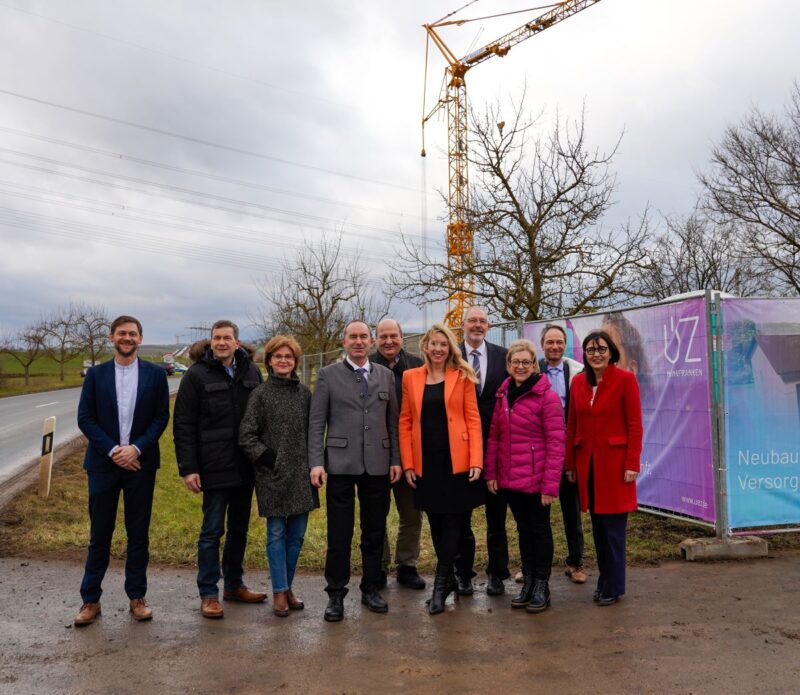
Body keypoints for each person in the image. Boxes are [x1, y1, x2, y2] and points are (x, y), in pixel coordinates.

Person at [74, 315, 170, 626]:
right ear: (112, 338)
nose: (127, 338)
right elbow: (85, 418)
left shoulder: (156, 375)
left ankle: (137, 597)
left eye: (132, 334)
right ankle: (90, 600)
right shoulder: (96, 375)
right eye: (121, 333)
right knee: (99, 534)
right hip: (103, 465)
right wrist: (115, 450)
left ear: (140, 339)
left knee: (138, 534)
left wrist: (135, 448)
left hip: (140, 465)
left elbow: (160, 418)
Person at [308, 320, 401, 622]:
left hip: (378, 464)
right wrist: (316, 462)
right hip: (340, 464)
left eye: (364, 337)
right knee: (340, 533)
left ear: (371, 342)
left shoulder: (386, 376)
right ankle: (335, 593)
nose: (359, 342)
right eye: (353, 337)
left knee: (374, 531)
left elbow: (393, 422)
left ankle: (371, 588)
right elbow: (316, 423)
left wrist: (396, 460)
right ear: (344, 342)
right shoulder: (327, 376)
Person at [173, 320, 266, 619]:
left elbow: (262, 418)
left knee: (239, 529)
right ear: (211, 341)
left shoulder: (252, 372)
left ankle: (234, 584)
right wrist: (189, 468)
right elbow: (183, 425)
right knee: (212, 531)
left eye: (227, 338)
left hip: (244, 466)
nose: (222, 342)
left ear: (237, 342)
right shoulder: (196, 376)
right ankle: (209, 593)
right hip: (213, 467)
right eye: (217, 338)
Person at [399, 324, 484, 615]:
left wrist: (476, 460)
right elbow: (405, 422)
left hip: (457, 462)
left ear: (450, 348)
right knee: (435, 522)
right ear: (425, 347)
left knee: (453, 523)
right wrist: (408, 463)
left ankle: (440, 583)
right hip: (426, 463)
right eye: (433, 343)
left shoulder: (461, 376)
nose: (438, 349)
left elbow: (473, 420)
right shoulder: (410, 377)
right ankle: (447, 579)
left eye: (443, 344)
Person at [239, 335, 319, 617]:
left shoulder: (305, 395)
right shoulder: (260, 395)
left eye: (288, 356)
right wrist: (271, 460)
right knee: (276, 535)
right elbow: (246, 436)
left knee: (296, 537)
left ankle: (287, 587)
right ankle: (279, 592)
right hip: (272, 475)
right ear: (270, 360)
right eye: (278, 356)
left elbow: (314, 432)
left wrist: (315, 465)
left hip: (302, 476)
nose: (283, 360)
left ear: (295, 361)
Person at [485, 340, 564, 614]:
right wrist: (491, 472)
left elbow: (556, 444)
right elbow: (495, 437)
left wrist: (550, 486)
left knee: (540, 530)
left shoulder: (547, 397)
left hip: (537, 480)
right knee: (523, 530)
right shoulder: (503, 394)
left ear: (534, 366)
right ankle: (528, 581)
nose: (520, 366)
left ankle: (542, 585)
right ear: (508, 366)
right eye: (515, 362)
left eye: (525, 362)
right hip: (510, 479)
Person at [565, 330, 643, 606]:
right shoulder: (577, 383)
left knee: (613, 531)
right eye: (590, 350)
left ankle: (614, 586)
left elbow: (635, 424)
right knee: (598, 528)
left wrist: (632, 463)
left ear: (610, 352)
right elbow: (572, 424)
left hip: (616, 466)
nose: (596, 354)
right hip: (588, 467)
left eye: (601, 349)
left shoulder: (625, 380)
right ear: (584, 355)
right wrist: (571, 464)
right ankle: (604, 582)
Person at [369, 318, 426, 591]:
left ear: (402, 337)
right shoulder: (366, 365)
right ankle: (378, 566)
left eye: (394, 335)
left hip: (411, 453)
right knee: (376, 513)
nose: (389, 341)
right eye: (383, 336)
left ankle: (407, 566)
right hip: (376, 452)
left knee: (412, 514)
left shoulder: (417, 365)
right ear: (375, 339)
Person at [459, 306, 509, 596]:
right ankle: (463, 573)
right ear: (463, 324)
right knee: (462, 516)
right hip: (462, 449)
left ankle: (497, 574)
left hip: (495, 448)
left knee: (496, 517)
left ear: (488, 326)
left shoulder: (503, 356)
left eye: (482, 321)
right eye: (472, 320)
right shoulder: (453, 357)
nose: (477, 325)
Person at [539, 324, 587, 584]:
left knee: (572, 510)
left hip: (568, 450)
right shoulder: (534, 371)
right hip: (541, 451)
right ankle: (535, 564)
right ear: (542, 344)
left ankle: (575, 561)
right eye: (550, 342)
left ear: (565, 345)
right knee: (538, 514)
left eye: (559, 342)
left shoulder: (577, 372)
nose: (555, 347)